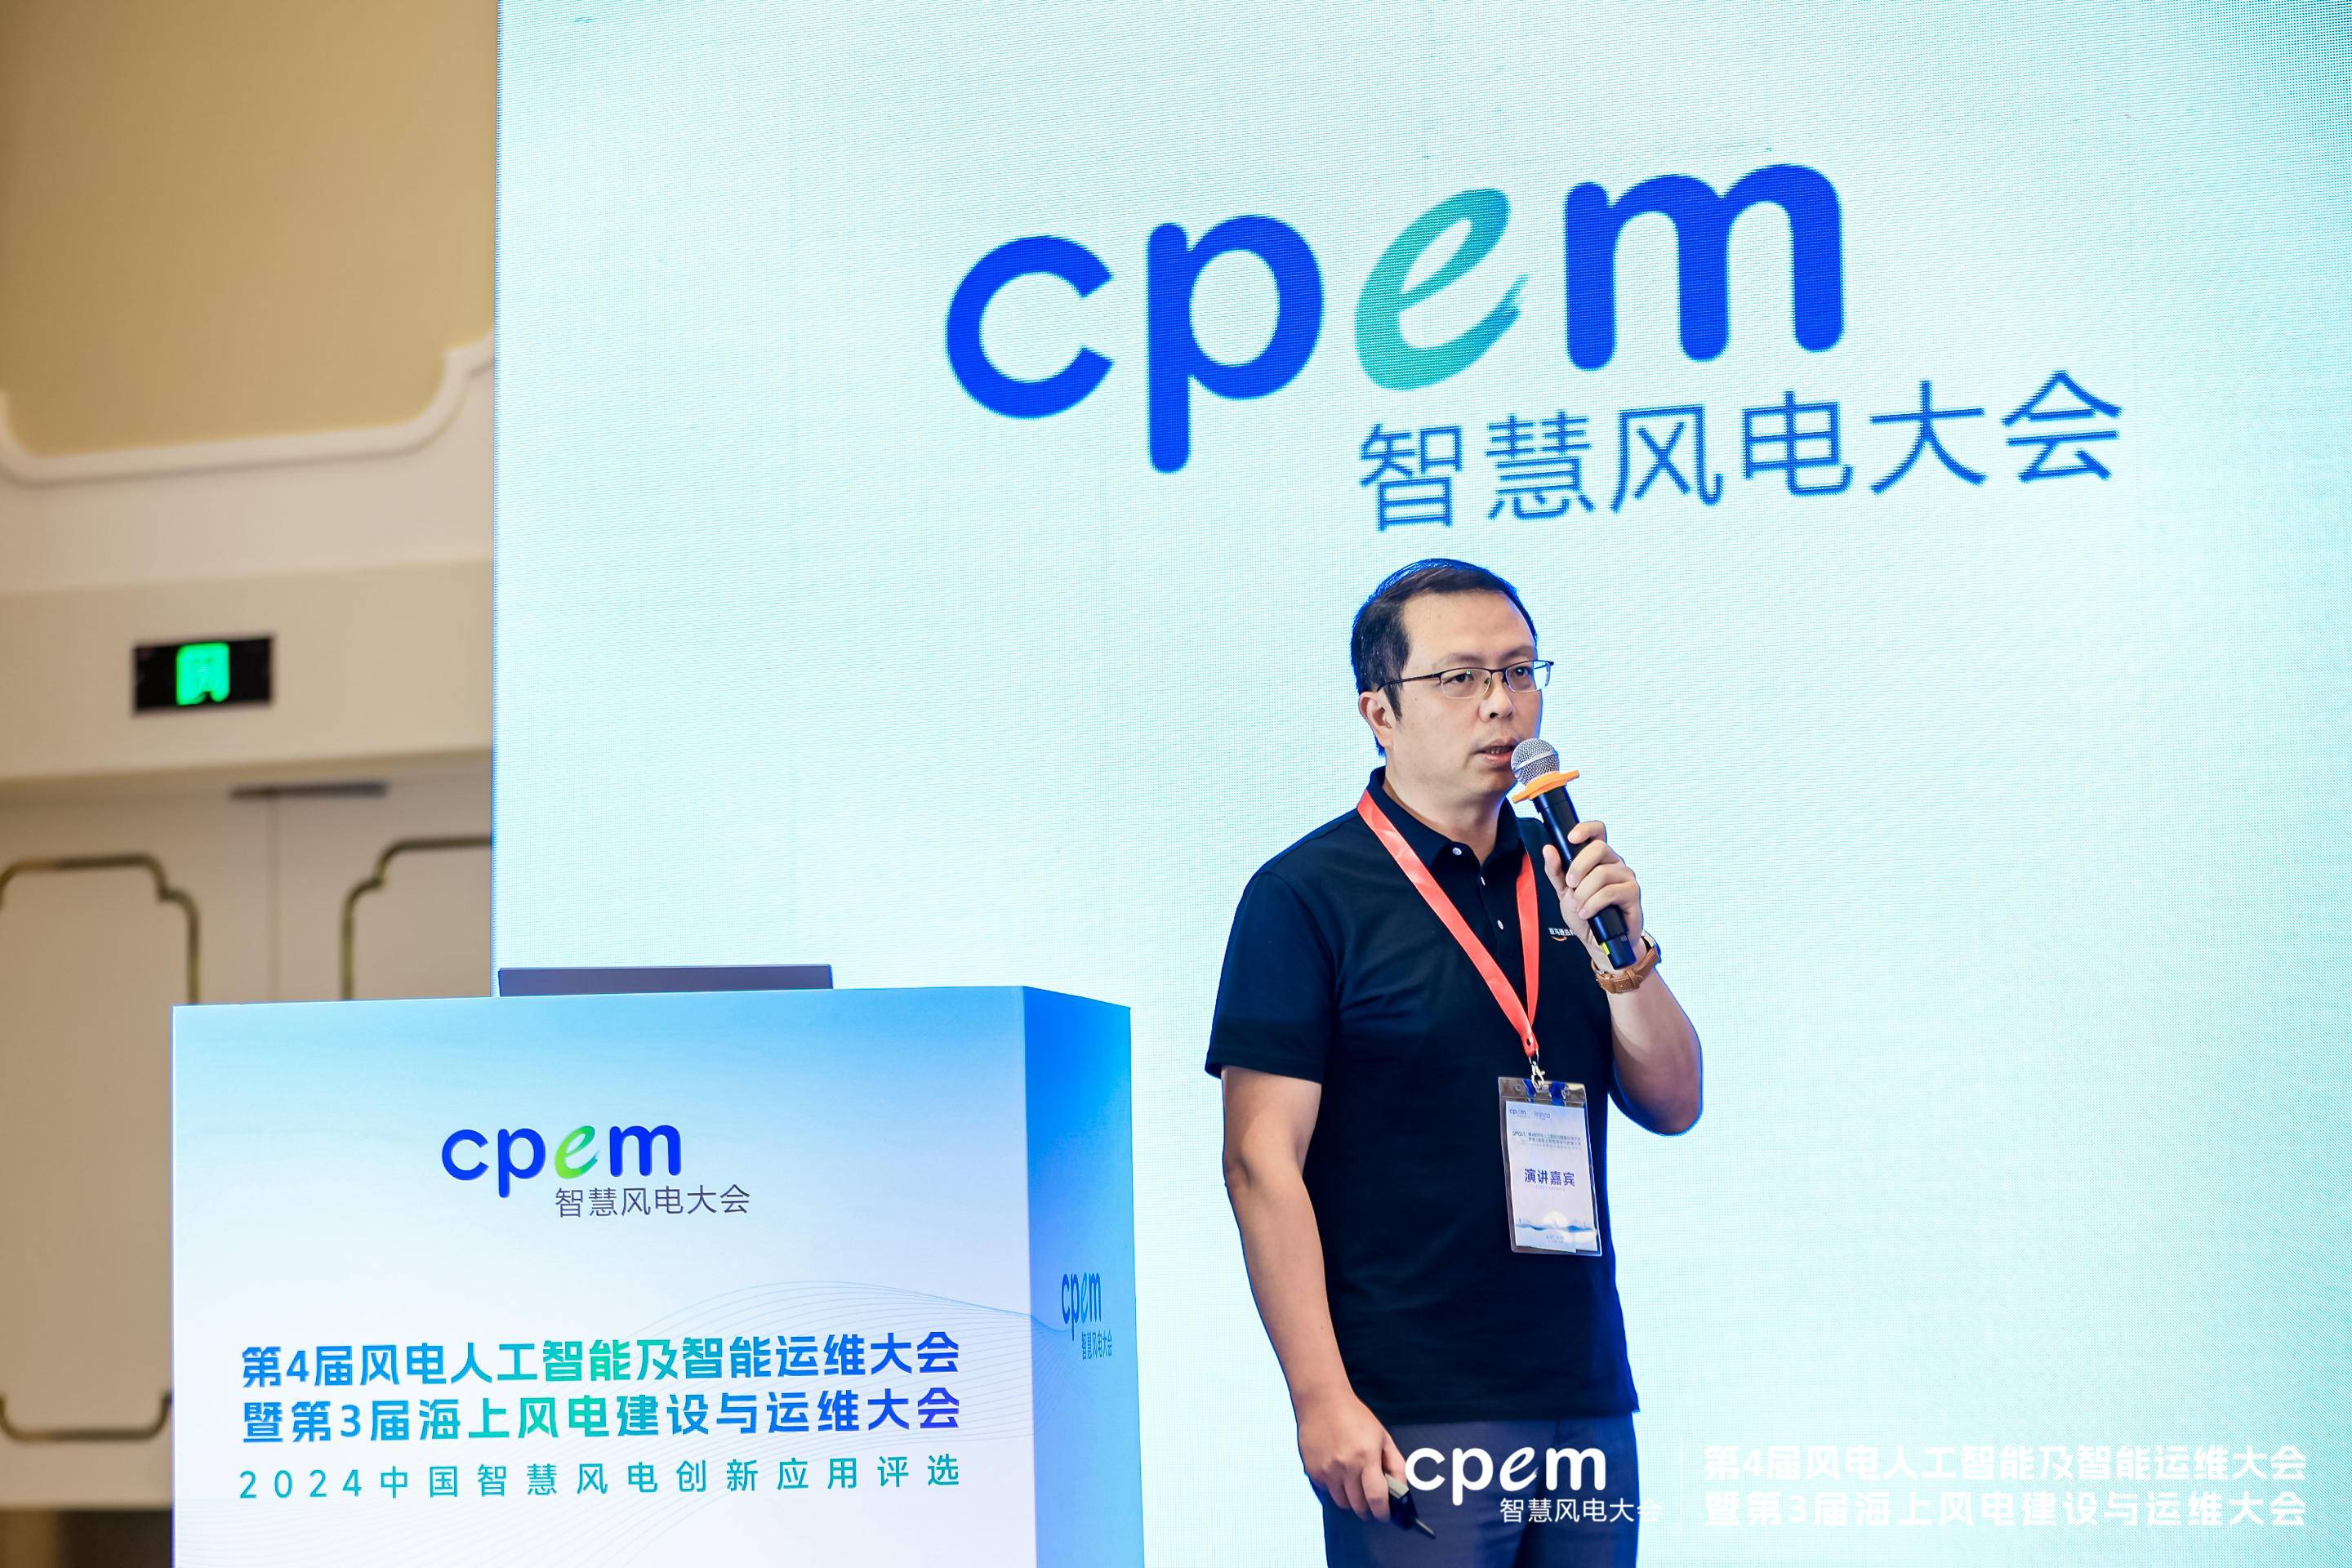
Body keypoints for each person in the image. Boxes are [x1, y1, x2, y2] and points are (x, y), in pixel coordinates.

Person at [1208, 559, 1704, 1566]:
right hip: (1411, 1407)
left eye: (1520, 672)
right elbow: (1261, 1165)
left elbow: (1674, 1100)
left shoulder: (1568, 879)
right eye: (1461, 677)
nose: (1501, 703)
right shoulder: (1307, 895)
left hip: (1583, 1395)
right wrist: (1320, 1398)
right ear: (1379, 712)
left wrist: (1624, 958)